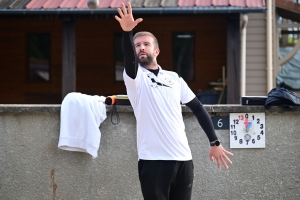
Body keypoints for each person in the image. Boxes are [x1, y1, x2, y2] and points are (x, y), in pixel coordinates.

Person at [115, 3, 234, 200]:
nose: (141, 48)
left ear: (157, 51)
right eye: (137, 45)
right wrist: (128, 32)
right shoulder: (135, 78)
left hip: (183, 159)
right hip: (153, 161)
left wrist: (214, 142)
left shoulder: (174, 78)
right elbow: (129, 59)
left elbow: (197, 107)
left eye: (146, 44)